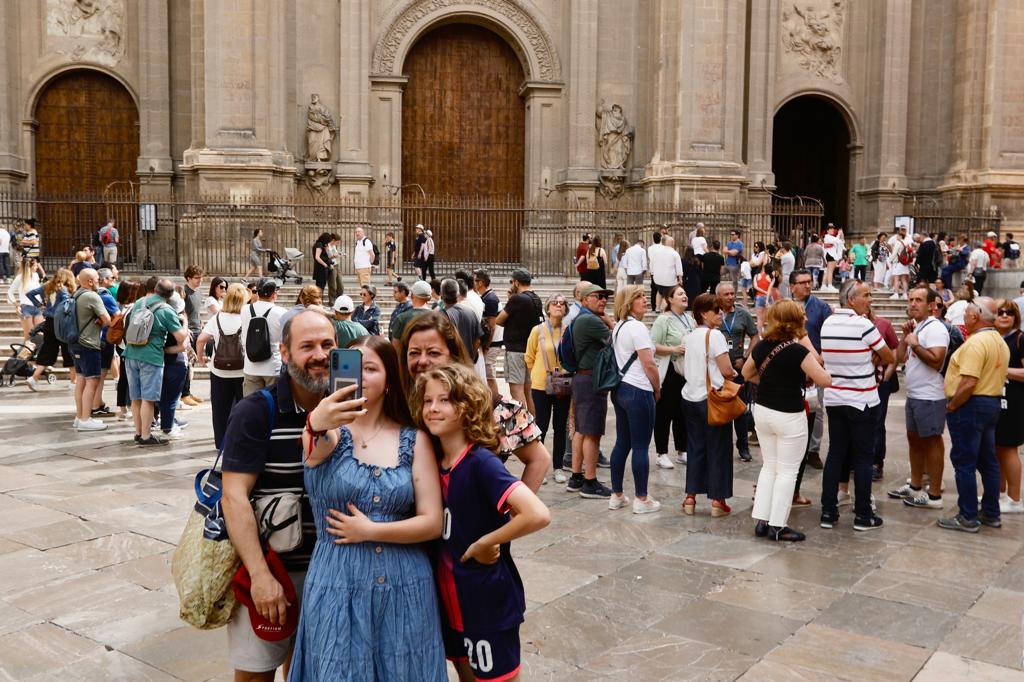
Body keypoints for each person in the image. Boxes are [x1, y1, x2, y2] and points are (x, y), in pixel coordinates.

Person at [290, 335, 447, 680]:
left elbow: (432, 521)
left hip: (405, 584)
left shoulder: (414, 438)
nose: (360, 375)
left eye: (371, 368)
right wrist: (318, 420)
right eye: (352, 367)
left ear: (390, 379)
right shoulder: (329, 433)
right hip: (337, 583)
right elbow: (314, 445)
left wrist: (372, 531)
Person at [221, 309, 344, 681]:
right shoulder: (257, 411)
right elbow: (233, 497)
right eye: (307, 346)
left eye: (328, 345)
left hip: (333, 572)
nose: (320, 355)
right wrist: (260, 576)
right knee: (257, 673)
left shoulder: (352, 408)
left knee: (311, 672)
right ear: (285, 353)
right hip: (274, 569)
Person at [410, 363, 549, 682]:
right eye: (428, 400)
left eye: (445, 400)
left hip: (487, 604)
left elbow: (537, 513)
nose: (433, 408)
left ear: (467, 406)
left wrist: (489, 540)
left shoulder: (480, 462)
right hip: (453, 602)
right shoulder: (436, 461)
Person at [397, 312, 549, 492]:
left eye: (433, 352)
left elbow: (539, 459)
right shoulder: (397, 404)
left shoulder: (493, 407)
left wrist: (513, 515)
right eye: (414, 353)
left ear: (453, 356)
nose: (422, 361)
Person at [743, 300, 831, 542]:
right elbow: (824, 380)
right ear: (793, 321)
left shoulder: (762, 346)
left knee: (770, 466)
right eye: (801, 315)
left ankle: (761, 521)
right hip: (789, 414)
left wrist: (771, 383)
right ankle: (778, 525)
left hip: (763, 411)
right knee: (788, 471)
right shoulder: (798, 350)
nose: (805, 318)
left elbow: (746, 373)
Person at [819, 281, 893, 531]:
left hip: (835, 399)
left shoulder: (828, 323)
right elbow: (889, 356)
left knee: (835, 454)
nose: (870, 299)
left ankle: (828, 512)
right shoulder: (863, 324)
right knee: (863, 457)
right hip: (861, 399)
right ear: (851, 300)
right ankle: (863, 514)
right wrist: (871, 358)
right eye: (866, 295)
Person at [940, 297, 1010, 532]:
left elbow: (969, 382)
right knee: (987, 461)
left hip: (971, 405)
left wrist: (952, 405)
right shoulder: (998, 340)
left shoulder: (976, 343)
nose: (965, 317)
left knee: (964, 461)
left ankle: (968, 515)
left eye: (967, 313)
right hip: (990, 404)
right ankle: (991, 512)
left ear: (975, 316)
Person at [888, 287, 949, 509]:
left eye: (919, 300)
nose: (913, 303)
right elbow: (901, 356)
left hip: (930, 396)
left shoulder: (936, 328)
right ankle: (915, 486)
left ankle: (934, 495)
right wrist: (906, 338)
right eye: (911, 299)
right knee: (914, 439)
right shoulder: (918, 327)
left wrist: (915, 344)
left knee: (932, 441)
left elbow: (936, 361)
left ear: (932, 305)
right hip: (914, 394)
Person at [607, 285, 662, 514]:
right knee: (640, 445)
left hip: (620, 389)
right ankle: (641, 498)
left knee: (623, 442)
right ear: (629, 303)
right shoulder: (637, 327)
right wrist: (657, 388)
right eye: (639, 297)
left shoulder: (619, 326)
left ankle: (617, 494)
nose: (645, 300)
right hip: (639, 388)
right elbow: (648, 363)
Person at [681, 293, 736, 517]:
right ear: (704, 314)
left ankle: (690, 498)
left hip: (690, 396)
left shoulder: (690, 336)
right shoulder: (715, 336)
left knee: (695, 448)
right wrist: (733, 372)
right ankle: (718, 500)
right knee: (719, 448)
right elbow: (725, 369)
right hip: (711, 398)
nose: (720, 314)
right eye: (716, 310)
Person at [565, 284, 615, 499]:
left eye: (605, 297)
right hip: (590, 380)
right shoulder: (591, 320)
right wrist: (610, 322)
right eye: (598, 296)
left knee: (581, 430)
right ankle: (590, 482)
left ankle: (576, 477)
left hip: (582, 378)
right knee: (592, 432)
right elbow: (616, 341)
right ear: (584, 300)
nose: (603, 300)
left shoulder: (583, 318)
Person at [123, 279, 187, 446]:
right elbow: (181, 337)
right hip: (151, 357)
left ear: (155, 289)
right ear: (171, 294)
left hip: (131, 353)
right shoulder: (166, 310)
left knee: (136, 398)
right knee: (148, 399)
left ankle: (138, 433)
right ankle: (146, 436)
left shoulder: (139, 302)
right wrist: (185, 322)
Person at [524, 293, 571, 485]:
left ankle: (558, 467)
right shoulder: (538, 330)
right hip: (541, 384)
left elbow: (571, 355)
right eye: (555, 302)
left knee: (560, 426)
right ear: (548, 307)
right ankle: (539, 466)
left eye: (562, 303)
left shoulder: (569, 331)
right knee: (541, 425)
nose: (559, 305)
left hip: (563, 384)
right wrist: (540, 373)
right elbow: (529, 357)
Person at [197, 283, 248, 449]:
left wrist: (200, 357)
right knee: (243, 409)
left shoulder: (217, 317)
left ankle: (221, 443)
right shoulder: (246, 318)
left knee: (220, 410)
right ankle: (240, 441)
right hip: (242, 370)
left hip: (219, 371)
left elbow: (201, 339)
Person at [790, 268, 832, 469]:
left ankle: (813, 450)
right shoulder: (785, 307)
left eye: (809, 281)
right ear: (792, 286)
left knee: (817, 407)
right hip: (790, 365)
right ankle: (796, 447)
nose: (808, 285)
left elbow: (829, 334)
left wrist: (821, 358)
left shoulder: (821, 307)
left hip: (815, 364)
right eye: (803, 282)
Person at [651, 285, 694, 469]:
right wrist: (673, 349)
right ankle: (661, 452)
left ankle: (682, 450)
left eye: (685, 292)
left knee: (681, 412)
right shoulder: (663, 320)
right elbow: (652, 345)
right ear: (670, 299)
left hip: (685, 371)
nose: (684, 296)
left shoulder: (689, 318)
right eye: (680, 294)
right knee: (664, 412)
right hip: (669, 371)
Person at [717, 283, 759, 462]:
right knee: (720, 408)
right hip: (718, 369)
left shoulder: (742, 314)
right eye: (726, 294)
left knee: (740, 409)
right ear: (718, 296)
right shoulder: (714, 314)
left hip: (738, 367)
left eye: (732, 293)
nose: (730, 297)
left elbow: (755, 335)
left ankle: (743, 446)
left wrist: (746, 356)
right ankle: (722, 447)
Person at [68, 269, 111, 431]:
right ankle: (86, 419)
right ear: (90, 281)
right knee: (92, 380)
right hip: (89, 344)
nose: (99, 281)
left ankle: (80, 417)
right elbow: (107, 319)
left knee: (81, 380)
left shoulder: (76, 294)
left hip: (75, 343)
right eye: (97, 279)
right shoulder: (92, 296)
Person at [496, 270, 543, 415]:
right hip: (530, 350)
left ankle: (523, 428)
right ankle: (534, 425)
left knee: (516, 390)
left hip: (515, 350)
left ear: (516, 282)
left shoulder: (517, 300)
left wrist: (511, 299)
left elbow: (499, 319)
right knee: (528, 391)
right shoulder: (536, 299)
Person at [25, 268, 76, 391]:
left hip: (49, 322)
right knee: (68, 351)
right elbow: (67, 304)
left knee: (48, 350)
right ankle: (74, 382)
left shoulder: (47, 286)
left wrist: (40, 305)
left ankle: (34, 378)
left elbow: (30, 294)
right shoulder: (63, 290)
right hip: (62, 323)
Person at [995, 300, 1024, 513]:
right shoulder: (996, 338)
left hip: (1014, 401)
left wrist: (1004, 370)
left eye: (1009, 312)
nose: (1004, 315)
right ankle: (999, 493)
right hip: (997, 400)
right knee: (997, 448)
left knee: (1009, 448)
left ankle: (1014, 499)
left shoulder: (1020, 339)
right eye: (1000, 312)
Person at [241, 278, 287, 396]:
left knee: (251, 408)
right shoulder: (281, 312)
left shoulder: (245, 310)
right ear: (274, 294)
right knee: (273, 407)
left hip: (250, 367)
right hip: (272, 367)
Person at [156, 293, 191, 440]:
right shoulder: (178, 321)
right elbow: (183, 345)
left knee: (164, 397)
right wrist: (185, 324)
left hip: (162, 361)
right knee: (171, 398)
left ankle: (167, 422)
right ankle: (168, 427)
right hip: (175, 362)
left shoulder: (160, 317)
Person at [473, 269, 502, 400]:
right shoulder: (486, 297)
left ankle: (495, 405)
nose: (473, 283)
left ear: (481, 283)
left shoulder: (490, 299)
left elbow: (492, 325)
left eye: (475, 280)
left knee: (490, 377)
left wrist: (487, 346)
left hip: (492, 343)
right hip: (491, 342)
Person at [8, 257, 44, 339]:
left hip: (38, 308)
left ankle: (37, 352)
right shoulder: (20, 278)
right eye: (35, 265)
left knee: (40, 336)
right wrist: (16, 304)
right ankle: (27, 351)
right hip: (26, 308)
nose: (37, 267)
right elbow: (10, 292)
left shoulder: (36, 276)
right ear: (30, 266)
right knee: (29, 337)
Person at [649, 234, 683, 308]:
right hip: (669, 278)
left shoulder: (656, 252)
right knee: (667, 294)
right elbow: (679, 267)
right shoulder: (674, 253)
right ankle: (664, 309)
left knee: (660, 292)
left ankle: (657, 308)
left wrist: (652, 272)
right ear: (671, 243)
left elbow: (652, 263)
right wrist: (680, 278)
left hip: (657, 278)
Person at [752, 264, 774, 332]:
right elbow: (770, 289)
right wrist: (766, 293)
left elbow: (755, 287)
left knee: (759, 318)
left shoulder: (757, 276)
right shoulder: (771, 277)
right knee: (770, 317)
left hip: (759, 297)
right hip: (768, 297)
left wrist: (763, 291)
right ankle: (769, 332)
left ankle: (760, 335)